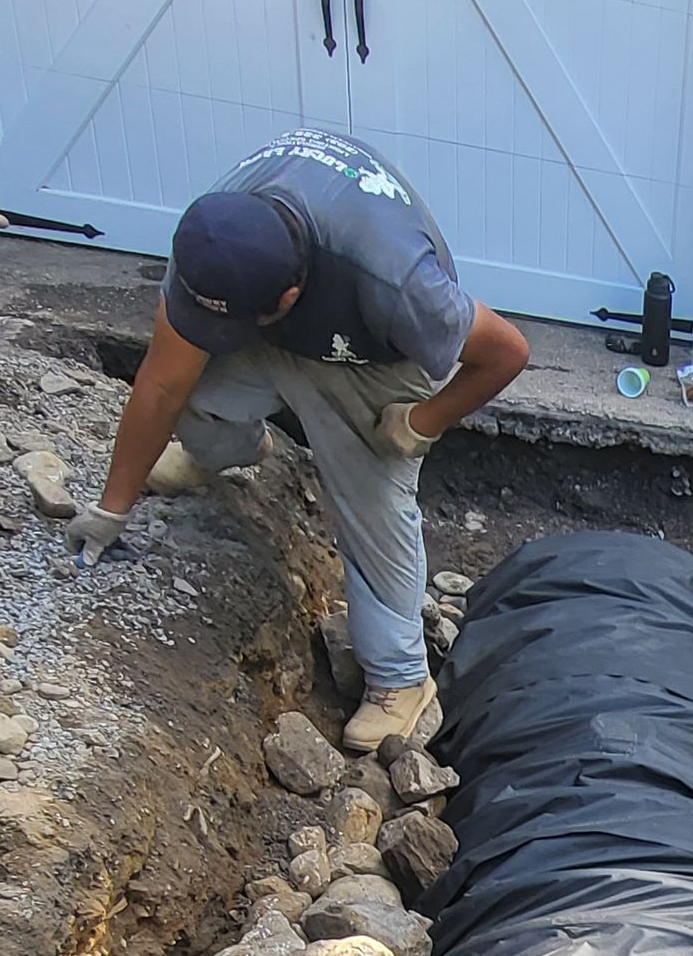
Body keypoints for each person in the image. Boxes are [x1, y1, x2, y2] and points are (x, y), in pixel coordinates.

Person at [68, 129, 530, 751]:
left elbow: (507, 353)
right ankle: (227, 452)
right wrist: (111, 507)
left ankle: (400, 678)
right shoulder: (214, 244)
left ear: (285, 299)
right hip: (280, 330)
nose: (210, 331)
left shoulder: (396, 281)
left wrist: (423, 423)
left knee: (370, 501)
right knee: (193, 401)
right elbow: (158, 384)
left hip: (372, 354)